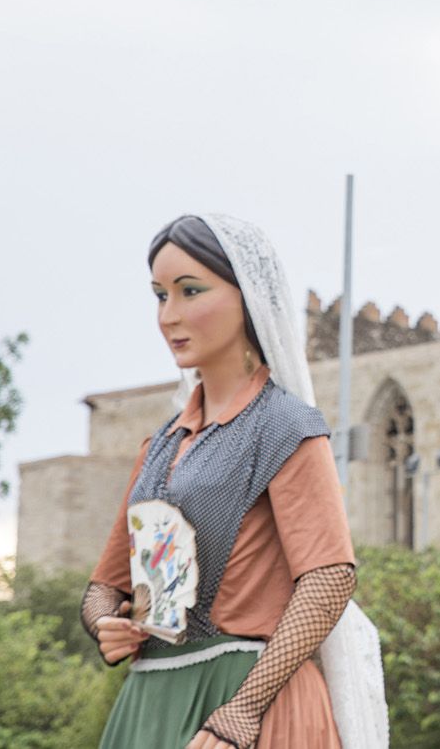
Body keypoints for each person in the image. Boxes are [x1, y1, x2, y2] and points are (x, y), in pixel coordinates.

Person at [80, 214, 388, 749]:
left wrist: (243, 709)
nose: (169, 316)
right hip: (151, 699)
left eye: (190, 291)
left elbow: (329, 577)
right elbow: (106, 585)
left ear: (247, 298)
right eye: (159, 296)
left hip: (245, 700)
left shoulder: (285, 426)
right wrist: (105, 622)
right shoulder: (160, 447)